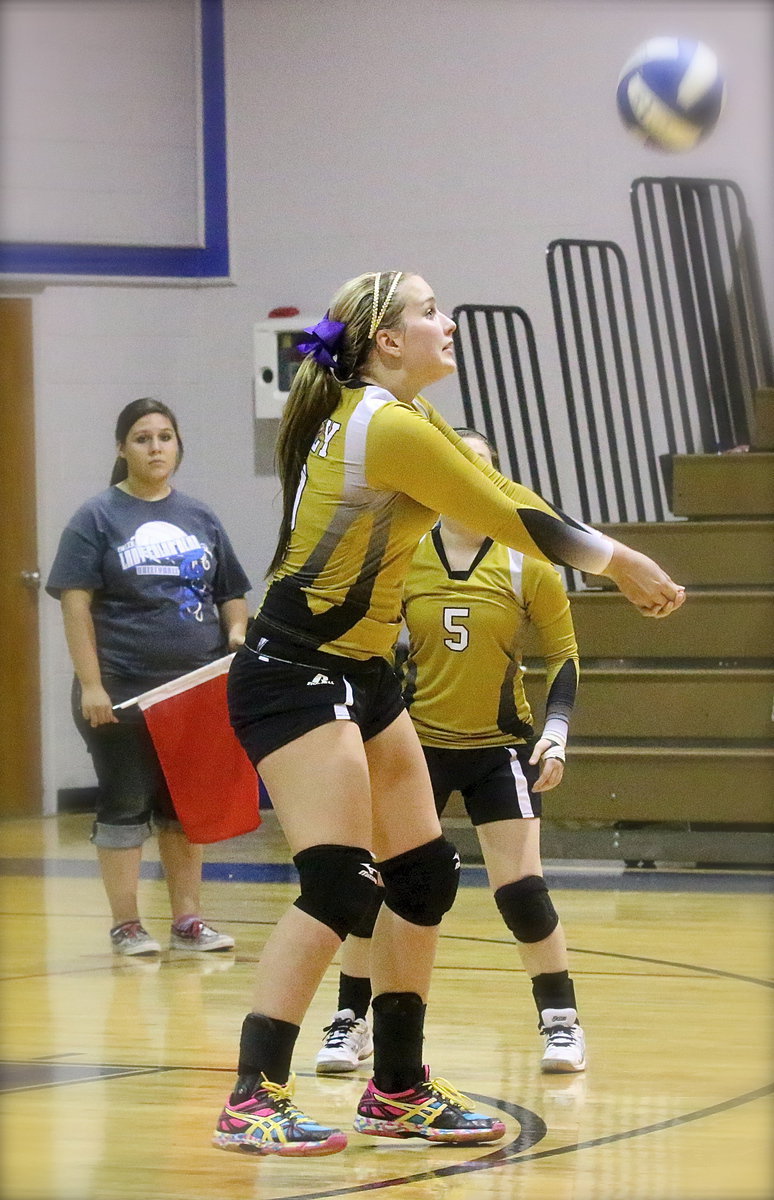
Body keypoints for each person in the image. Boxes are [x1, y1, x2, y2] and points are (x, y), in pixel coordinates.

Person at [215, 269, 684, 1159]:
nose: (450, 322)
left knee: (423, 875)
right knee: (340, 884)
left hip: (363, 672)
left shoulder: (408, 416)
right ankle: (253, 1093)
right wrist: (618, 560)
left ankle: (396, 1089)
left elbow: (511, 499)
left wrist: (608, 555)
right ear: (387, 340)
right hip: (295, 673)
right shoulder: (381, 424)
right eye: (432, 312)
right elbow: (502, 512)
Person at [316, 428, 586, 1078]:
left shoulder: (528, 562)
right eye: (458, 465)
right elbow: (363, 642)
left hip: (500, 750)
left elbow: (564, 657)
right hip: (415, 749)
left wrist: (557, 730)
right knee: (376, 885)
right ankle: (353, 1020)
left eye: (483, 468)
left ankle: (562, 1021)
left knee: (521, 891)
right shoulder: (405, 557)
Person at [46, 397, 251, 958]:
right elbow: (74, 605)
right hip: (121, 689)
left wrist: (236, 632)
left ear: (178, 445)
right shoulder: (97, 518)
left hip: (193, 691)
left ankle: (188, 922)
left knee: (184, 808)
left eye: (164, 436)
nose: (155, 447)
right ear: (122, 448)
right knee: (126, 801)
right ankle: (126, 924)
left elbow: (231, 591)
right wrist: (92, 685)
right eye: (142, 438)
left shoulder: (201, 516)